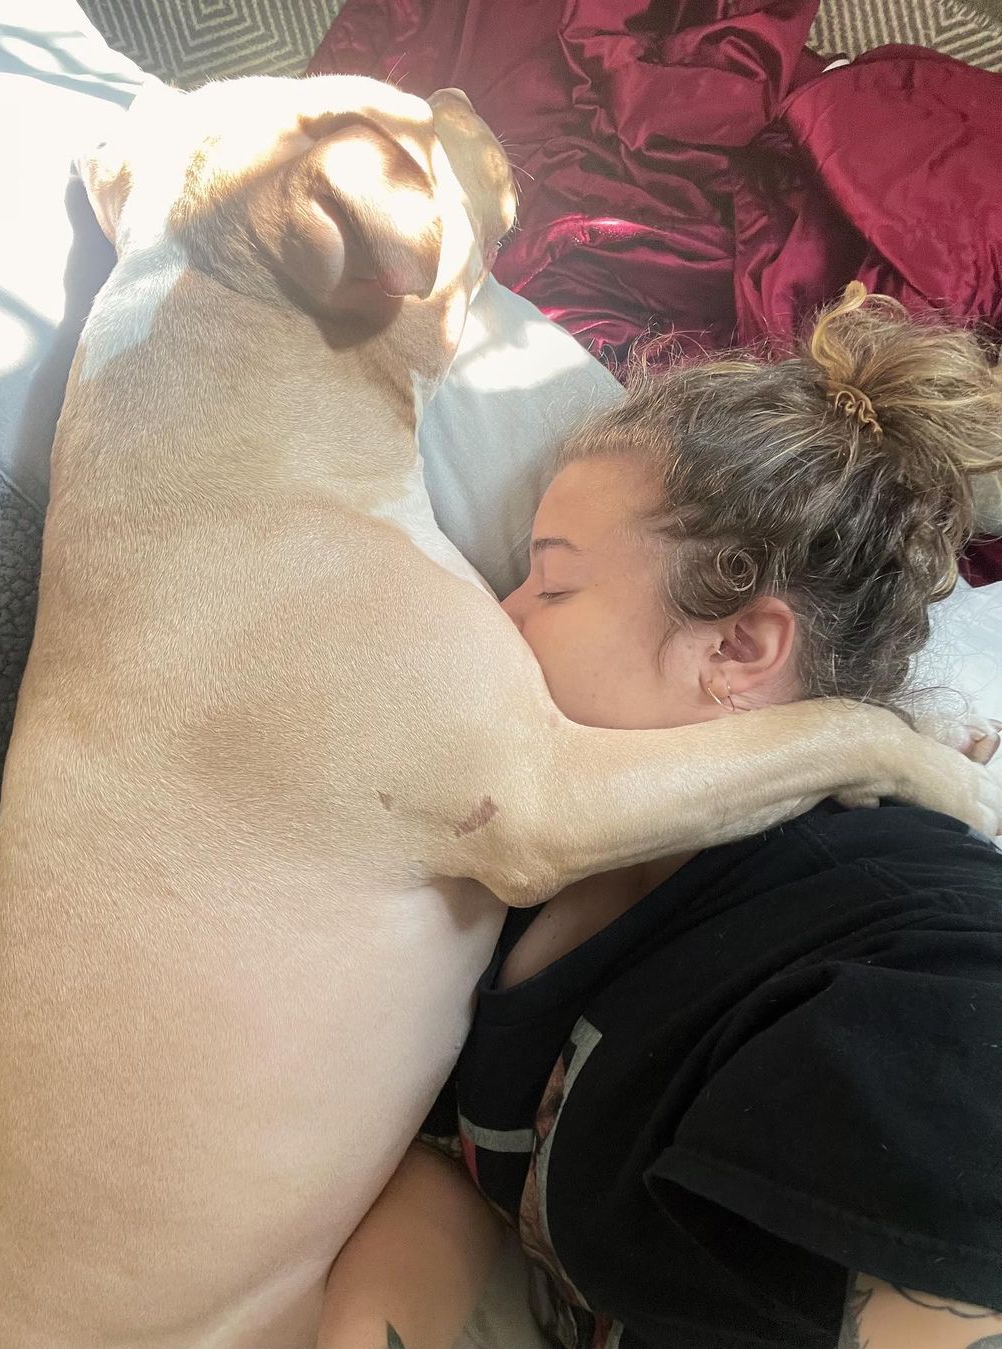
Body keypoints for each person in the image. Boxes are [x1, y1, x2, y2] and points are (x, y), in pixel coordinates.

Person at [315, 284, 1002, 1349]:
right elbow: (471, 1179)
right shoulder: (523, 890)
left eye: (550, 585)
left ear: (737, 649)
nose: (499, 615)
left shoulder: (891, 927)